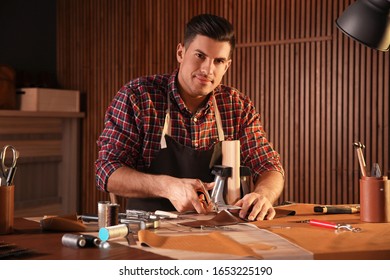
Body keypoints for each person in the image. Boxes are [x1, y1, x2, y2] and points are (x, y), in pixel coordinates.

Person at [95, 14, 284, 221]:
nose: (207, 70)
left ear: (226, 66)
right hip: (148, 232)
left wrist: (263, 195)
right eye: (200, 56)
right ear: (180, 53)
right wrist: (167, 187)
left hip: (221, 231)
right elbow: (107, 171)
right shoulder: (139, 96)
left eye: (218, 61)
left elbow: (269, 166)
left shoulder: (237, 106)